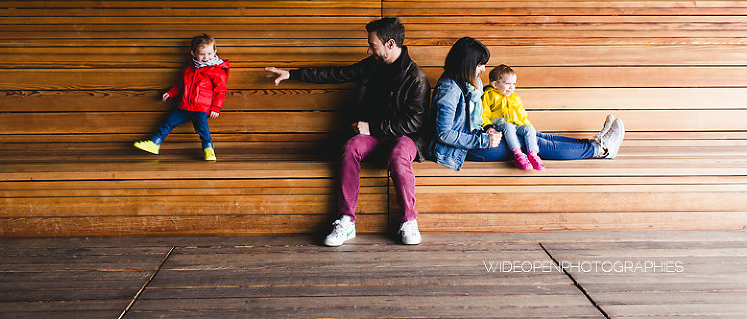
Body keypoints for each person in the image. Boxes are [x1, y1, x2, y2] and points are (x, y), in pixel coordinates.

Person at [265, 18, 430, 246]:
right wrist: (292, 74)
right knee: (350, 146)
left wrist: (373, 127)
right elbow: (335, 73)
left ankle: (409, 220)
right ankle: (346, 221)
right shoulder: (371, 66)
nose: (369, 49)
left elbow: (414, 123)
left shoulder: (415, 78)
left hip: (403, 137)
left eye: (373, 45)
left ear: (390, 44)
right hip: (370, 136)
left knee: (399, 155)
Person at [426, 37, 624, 172]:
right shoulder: (449, 89)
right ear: (466, 64)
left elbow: (475, 119)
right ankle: (600, 150)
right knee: (535, 144)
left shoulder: (472, 82)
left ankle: (597, 144)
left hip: (480, 137)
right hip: (464, 149)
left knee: (536, 135)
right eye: (480, 64)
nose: (484, 69)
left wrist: (487, 129)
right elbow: (444, 134)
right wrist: (483, 141)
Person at [134, 33, 229, 162]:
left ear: (215, 51)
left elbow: (220, 91)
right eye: (202, 54)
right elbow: (180, 85)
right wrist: (171, 93)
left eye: (209, 53)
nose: (206, 57)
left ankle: (209, 150)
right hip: (184, 105)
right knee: (169, 122)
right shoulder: (188, 69)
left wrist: (216, 107)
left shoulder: (216, 70)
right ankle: (154, 143)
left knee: (202, 130)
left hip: (201, 107)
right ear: (193, 53)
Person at [482, 64, 544, 171]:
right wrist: (487, 126)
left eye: (513, 84)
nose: (511, 87)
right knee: (508, 126)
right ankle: (518, 154)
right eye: (507, 83)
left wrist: (527, 125)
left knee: (529, 129)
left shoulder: (515, 98)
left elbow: (522, 114)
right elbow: (483, 113)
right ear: (495, 84)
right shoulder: (489, 96)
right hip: (498, 125)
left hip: (515, 125)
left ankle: (533, 155)